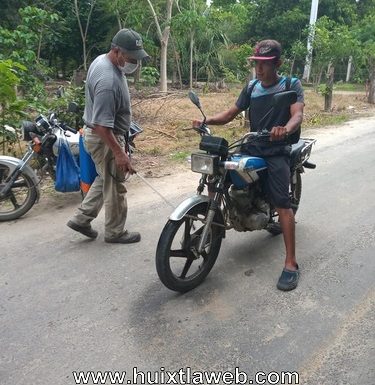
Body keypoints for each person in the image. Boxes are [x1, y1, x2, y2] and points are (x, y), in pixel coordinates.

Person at [192, 40, 304, 291]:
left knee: (283, 204)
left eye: (264, 65)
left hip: (276, 150)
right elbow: (231, 114)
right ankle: (216, 219)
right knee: (217, 172)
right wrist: (205, 120)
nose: (259, 69)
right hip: (252, 145)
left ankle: (291, 263)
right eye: (256, 64)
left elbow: (297, 114)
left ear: (278, 63)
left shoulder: (290, 84)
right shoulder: (252, 86)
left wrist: (284, 129)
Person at [67, 28, 149, 244]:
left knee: (106, 178)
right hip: (104, 138)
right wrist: (120, 153)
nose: (135, 63)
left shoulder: (104, 61)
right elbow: (102, 126)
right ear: (116, 51)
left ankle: (81, 218)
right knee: (116, 185)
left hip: (99, 135)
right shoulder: (108, 81)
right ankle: (115, 232)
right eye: (131, 58)